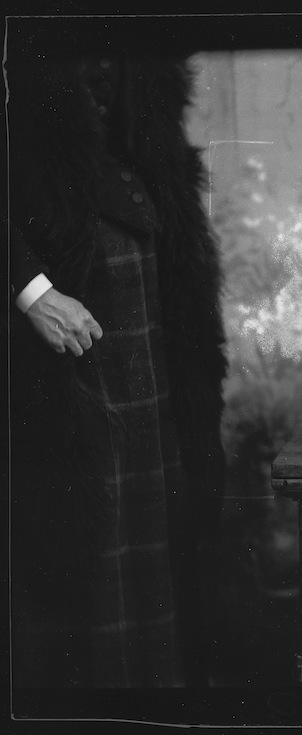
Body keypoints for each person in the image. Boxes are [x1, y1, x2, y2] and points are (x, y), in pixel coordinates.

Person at [7, 23, 227, 688]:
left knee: (159, 518)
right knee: (76, 534)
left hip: (148, 302)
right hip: (54, 294)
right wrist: (28, 287)